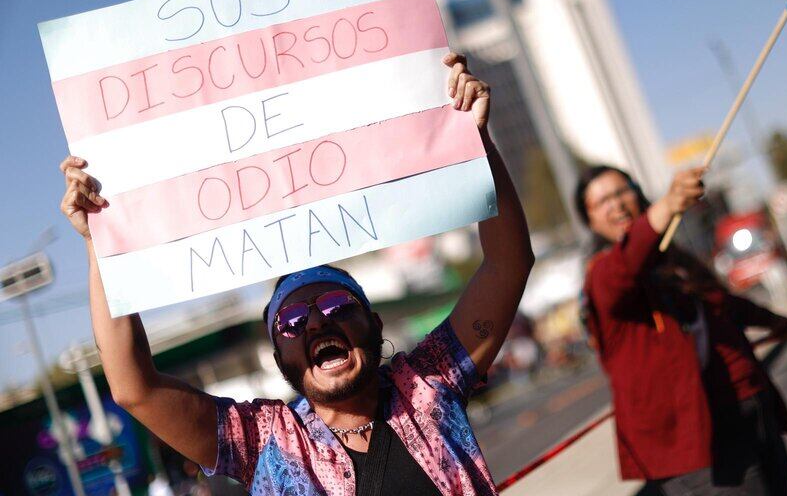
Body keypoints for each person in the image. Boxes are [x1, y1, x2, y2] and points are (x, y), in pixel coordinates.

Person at [60, 54, 535, 496]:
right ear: (279, 357)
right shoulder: (264, 442)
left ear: (374, 324)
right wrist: (101, 244)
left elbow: (508, 263)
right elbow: (135, 388)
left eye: (336, 306)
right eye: (291, 323)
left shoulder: (428, 385)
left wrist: (476, 144)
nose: (316, 323)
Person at [575, 166, 787, 496]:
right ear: (590, 220)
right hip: (697, 440)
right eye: (603, 201)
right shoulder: (603, 276)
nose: (618, 205)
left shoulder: (672, 258)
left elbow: (722, 304)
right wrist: (668, 204)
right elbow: (627, 262)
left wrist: (774, 321)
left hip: (750, 406)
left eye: (622, 192)